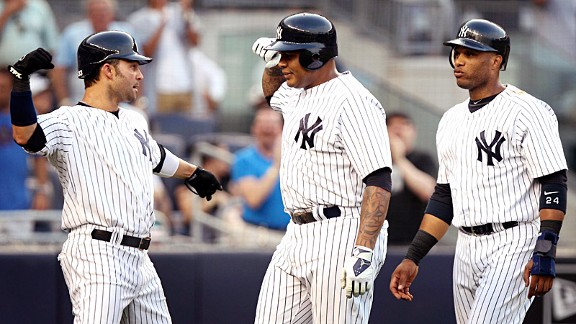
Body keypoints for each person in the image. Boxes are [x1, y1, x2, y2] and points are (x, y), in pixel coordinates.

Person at [7, 30, 222, 322]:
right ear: (108, 70)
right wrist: (20, 82)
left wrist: (193, 172)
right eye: (131, 66)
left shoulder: (133, 118)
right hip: (98, 252)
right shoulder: (67, 120)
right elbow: (25, 135)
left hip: (140, 257)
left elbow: (156, 156)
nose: (140, 74)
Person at [389, 19, 569, 324]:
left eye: (470, 53)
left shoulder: (528, 111)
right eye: (457, 52)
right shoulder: (450, 120)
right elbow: (443, 197)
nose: (458, 60)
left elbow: (553, 182)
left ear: (496, 61)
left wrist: (545, 248)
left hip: (513, 240)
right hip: (467, 245)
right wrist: (413, 256)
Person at [251, 12, 393, 323]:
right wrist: (274, 59)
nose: (283, 63)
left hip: (342, 229)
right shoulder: (298, 92)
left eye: (290, 55)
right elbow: (271, 93)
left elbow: (379, 179)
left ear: (315, 55)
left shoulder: (354, 101)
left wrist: (364, 251)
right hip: (296, 233)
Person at [51, 0, 135, 106]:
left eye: (104, 11)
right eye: (95, 11)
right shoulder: (72, 34)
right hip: (80, 103)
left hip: (120, 104)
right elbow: (59, 70)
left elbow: (136, 67)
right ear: (88, 13)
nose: (100, 15)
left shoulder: (126, 34)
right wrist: (63, 99)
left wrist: (139, 100)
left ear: (112, 13)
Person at [127, 0, 201, 115]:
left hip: (185, 85)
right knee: (161, 130)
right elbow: (146, 52)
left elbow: (196, 41)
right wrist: (162, 23)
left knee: (187, 128)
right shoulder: (138, 19)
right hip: (159, 88)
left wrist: (186, 13)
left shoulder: (180, 12)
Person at [230, 108, 290, 232]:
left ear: (282, 128)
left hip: (293, 233)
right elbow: (254, 199)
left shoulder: (297, 157)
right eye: (262, 124)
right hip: (260, 234)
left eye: (273, 124)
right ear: (254, 128)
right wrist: (276, 165)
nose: (268, 129)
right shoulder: (243, 159)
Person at [386, 112, 436, 244]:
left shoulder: (423, 159)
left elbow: (429, 192)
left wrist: (399, 158)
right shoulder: (374, 161)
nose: (398, 129)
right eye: (391, 125)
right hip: (379, 241)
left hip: (413, 242)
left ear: (414, 132)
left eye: (404, 124)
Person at [0, 0, 59, 67]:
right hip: (3, 71)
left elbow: (52, 44)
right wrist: (6, 13)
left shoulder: (39, 6)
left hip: (35, 71)